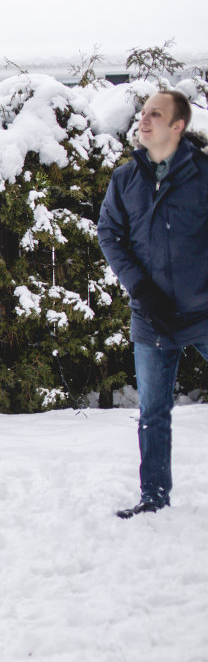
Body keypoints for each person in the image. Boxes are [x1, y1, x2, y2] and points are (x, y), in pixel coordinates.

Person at [97, 88, 208, 518]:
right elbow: (110, 235)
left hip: (203, 313)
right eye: (143, 113)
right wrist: (140, 290)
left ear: (178, 126)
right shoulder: (125, 179)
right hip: (152, 318)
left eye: (155, 115)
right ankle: (154, 499)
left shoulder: (202, 175)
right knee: (154, 414)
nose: (143, 120)